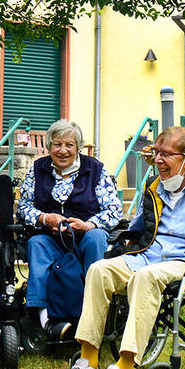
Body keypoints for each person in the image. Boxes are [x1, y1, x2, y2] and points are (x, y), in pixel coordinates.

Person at [59, 126, 185, 369]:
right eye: (156, 153)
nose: (158, 160)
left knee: (146, 277)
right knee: (98, 270)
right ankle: (87, 363)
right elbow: (139, 224)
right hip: (147, 254)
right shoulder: (153, 186)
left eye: (166, 154)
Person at [18, 119, 120, 339]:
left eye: (69, 145)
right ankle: (46, 321)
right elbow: (24, 207)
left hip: (85, 236)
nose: (62, 150)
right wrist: (45, 218)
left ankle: (93, 316)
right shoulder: (37, 170)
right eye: (57, 144)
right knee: (36, 243)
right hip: (51, 237)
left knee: (96, 238)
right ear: (49, 146)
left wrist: (88, 224)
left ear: (78, 147)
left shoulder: (95, 169)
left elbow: (113, 210)